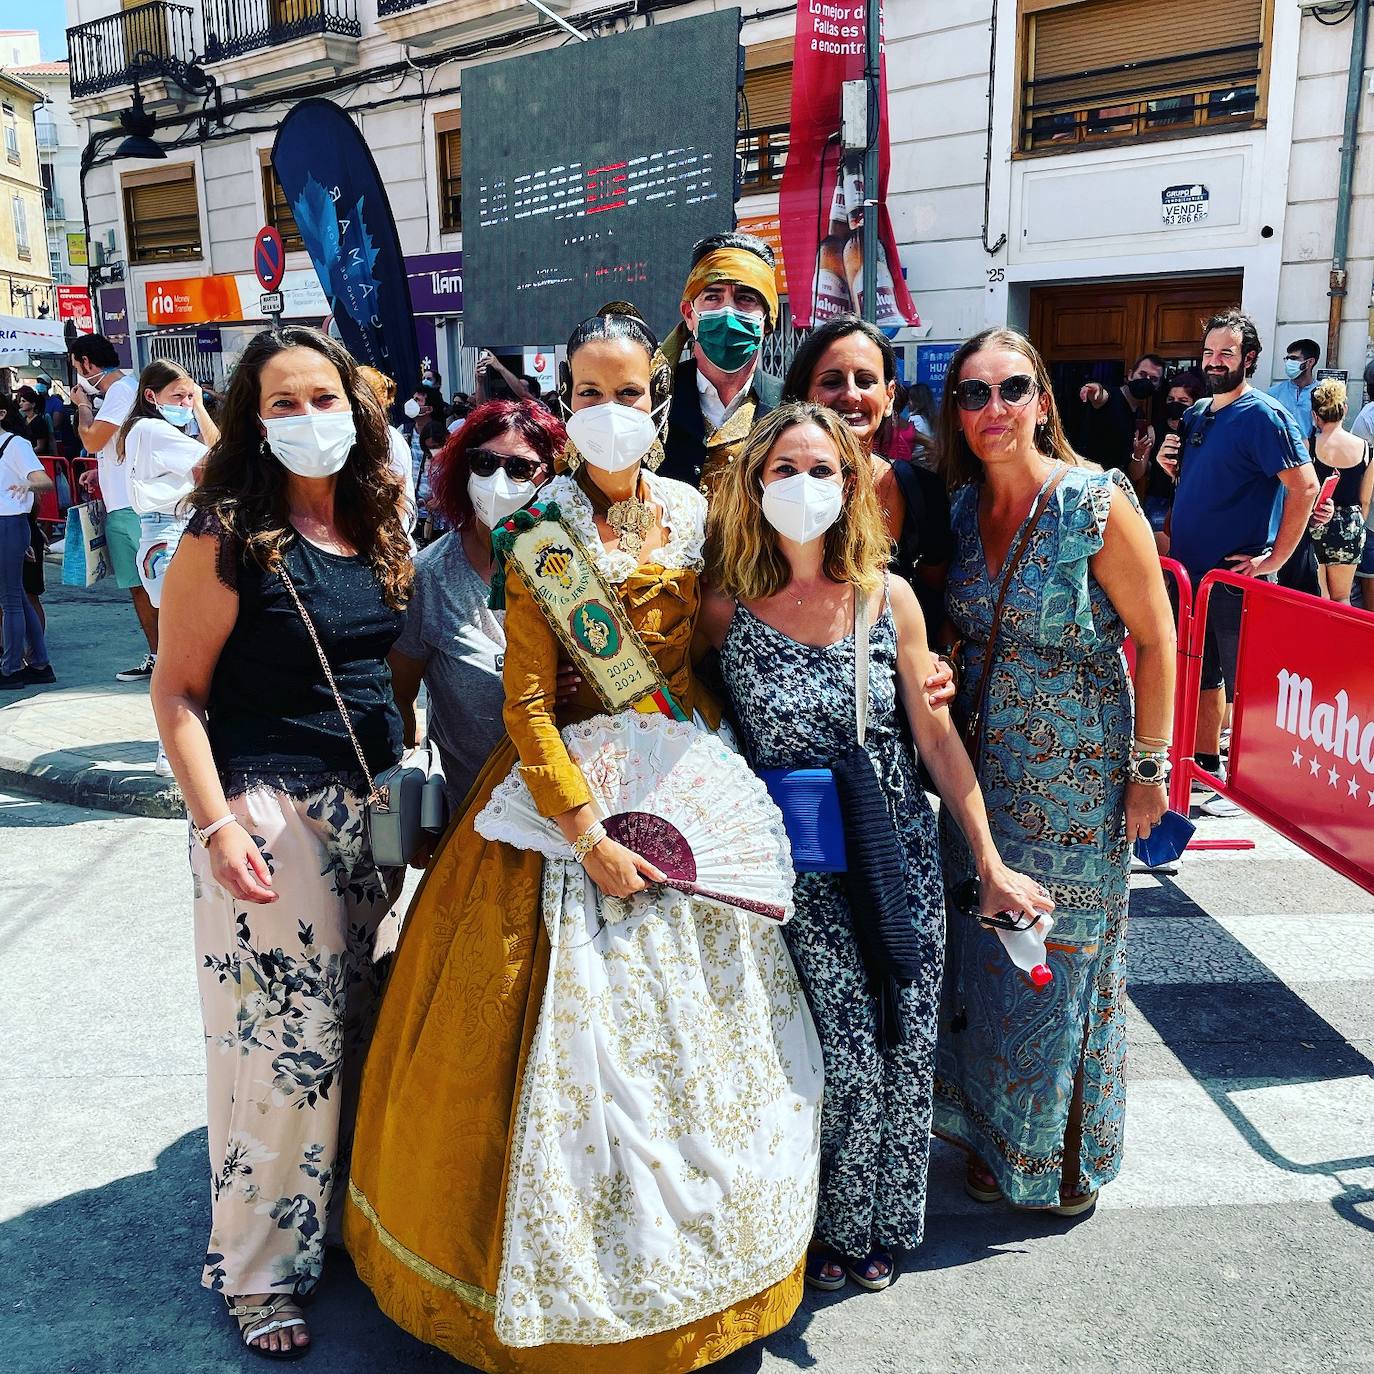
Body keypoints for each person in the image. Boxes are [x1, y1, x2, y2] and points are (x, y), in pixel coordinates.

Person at [343, 304, 823, 1373]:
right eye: (590, 395)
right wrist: (587, 828)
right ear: (569, 408)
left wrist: (704, 772)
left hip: (672, 784)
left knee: (697, 1063)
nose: (611, 413)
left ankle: (701, 1270)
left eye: (630, 394)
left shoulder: (696, 514)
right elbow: (524, 701)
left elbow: (708, 653)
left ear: (661, 406)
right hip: (555, 812)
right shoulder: (540, 529)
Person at [703, 400, 1050, 1293]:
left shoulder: (886, 598)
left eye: (823, 470)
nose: (805, 486)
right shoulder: (724, 605)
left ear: (852, 484)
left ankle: (883, 1229)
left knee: (906, 1038)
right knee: (846, 1052)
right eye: (784, 469)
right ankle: (825, 1225)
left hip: (895, 853)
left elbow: (936, 742)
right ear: (754, 484)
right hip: (796, 869)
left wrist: (989, 861)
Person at [149, 325, 412, 1360]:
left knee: (356, 1024)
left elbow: (391, 674)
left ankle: (335, 1223)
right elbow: (176, 693)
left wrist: (415, 801)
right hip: (272, 814)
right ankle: (258, 1270)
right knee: (281, 1053)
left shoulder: (375, 514)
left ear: (357, 405)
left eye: (325, 398)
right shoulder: (226, 531)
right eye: (285, 403)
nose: (312, 419)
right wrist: (216, 824)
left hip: (379, 804)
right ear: (254, 422)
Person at [931, 327, 1175, 1215]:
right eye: (972, 394)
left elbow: (1157, 638)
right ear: (954, 413)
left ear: (1042, 400)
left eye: (1010, 389)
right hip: (984, 776)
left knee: (1064, 962)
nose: (992, 410)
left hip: (1080, 777)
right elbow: (955, 622)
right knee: (992, 956)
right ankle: (995, 1136)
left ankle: (1064, 1156)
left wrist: (1150, 771)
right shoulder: (959, 511)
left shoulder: (1094, 504)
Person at [1168, 311, 1318, 794]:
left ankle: (1259, 788)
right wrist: (1171, 468)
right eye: (1209, 352)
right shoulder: (1196, 414)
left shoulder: (1265, 416)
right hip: (1191, 579)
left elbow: (1305, 486)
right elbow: (1206, 484)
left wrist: (1273, 558)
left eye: (1226, 353)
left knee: (1248, 686)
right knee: (1202, 676)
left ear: (1249, 358)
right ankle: (1206, 771)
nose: (1214, 362)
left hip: (1237, 580)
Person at [388, 398, 564, 809]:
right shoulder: (430, 578)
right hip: (475, 816)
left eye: (520, 467)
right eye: (484, 462)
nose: (499, 481)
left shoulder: (577, 565)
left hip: (576, 809)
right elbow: (398, 696)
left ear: (550, 476)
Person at [783, 314, 952, 646]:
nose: (850, 395)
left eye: (865, 380)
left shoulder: (922, 493)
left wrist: (942, 665)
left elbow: (941, 602)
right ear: (804, 395)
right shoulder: (774, 487)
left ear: (889, 397)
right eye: (832, 381)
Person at [115, 360, 219, 774]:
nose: (186, 403)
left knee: (176, 649)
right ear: (151, 396)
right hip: (171, 535)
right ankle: (172, 749)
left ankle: (172, 748)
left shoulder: (143, 430)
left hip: (161, 536)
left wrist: (193, 405)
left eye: (190, 395)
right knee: (184, 652)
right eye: (178, 396)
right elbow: (219, 456)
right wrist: (200, 410)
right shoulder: (155, 431)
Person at [657, 231, 784, 494]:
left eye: (745, 298)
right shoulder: (653, 400)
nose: (728, 312)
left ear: (769, 319)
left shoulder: (789, 404)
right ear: (689, 315)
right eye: (713, 297)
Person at [70, 333, 155, 682]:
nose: (79, 377)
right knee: (140, 586)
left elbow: (91, 438)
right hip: (124, 501)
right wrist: (99, 469)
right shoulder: (122, 391)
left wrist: (82, 406)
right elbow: (112, 446)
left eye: (78, 368)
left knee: (147, 586)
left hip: (131, 507)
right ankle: (158, 655)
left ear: (88, 364)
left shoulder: (119, 392)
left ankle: (165, 656)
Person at [0, 401, 55, 689]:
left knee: (11, 600)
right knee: (17, 597)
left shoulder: (15, 444)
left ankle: (11, 669)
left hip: (9, 524)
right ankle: (39, 663)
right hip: (10, 525)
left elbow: (43, 481)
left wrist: (26, 487)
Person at [1307, 378, 1373, 604]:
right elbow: (1365, 499)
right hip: (1350, 524)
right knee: (1342, 597)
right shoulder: (1365, 449)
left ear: (1315, 415)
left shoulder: (1309, 446)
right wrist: (1357, 524)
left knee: (1318, 596)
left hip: (1314, 522)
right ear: (1344, 409)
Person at [1146, 368, 1207, 554]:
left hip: (1188, 502)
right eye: (1171, 400)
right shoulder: (1155, 428)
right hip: (1158, 500)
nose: (1175, 405)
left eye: (1183, 401)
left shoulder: (1202, 430)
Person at [1074, 352, 1165, 475]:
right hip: (1090, 479)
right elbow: (1101, 395)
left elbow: (1135, 472)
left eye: (1153, 379)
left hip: (1116, 487)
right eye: (1142, 374)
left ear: (1158, 386)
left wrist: (1138, 454)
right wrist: (1095, 390)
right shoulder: (1112, 396)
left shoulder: (1140, 417)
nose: (1146, 380)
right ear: (1130, 375)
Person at [357, 365, 419, 536]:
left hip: (388, 544)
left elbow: (397, 496)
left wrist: (391, 543)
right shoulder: (360, 434)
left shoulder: (389, 438)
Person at [1267, 337, 1320, 439]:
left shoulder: (1322, 394)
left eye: (1294, 359)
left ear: (1310, 362)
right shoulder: (1274, 393)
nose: (1288, 363)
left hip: (1311, 452)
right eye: (1287, 358)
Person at [15, 385, 53, 456]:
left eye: (24, 401)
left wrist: (26, 453)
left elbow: (40, 447)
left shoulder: (39, 422)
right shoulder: (23, 420)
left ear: (33, 404)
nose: (20, 404)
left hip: (39, 458)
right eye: (20, 401)